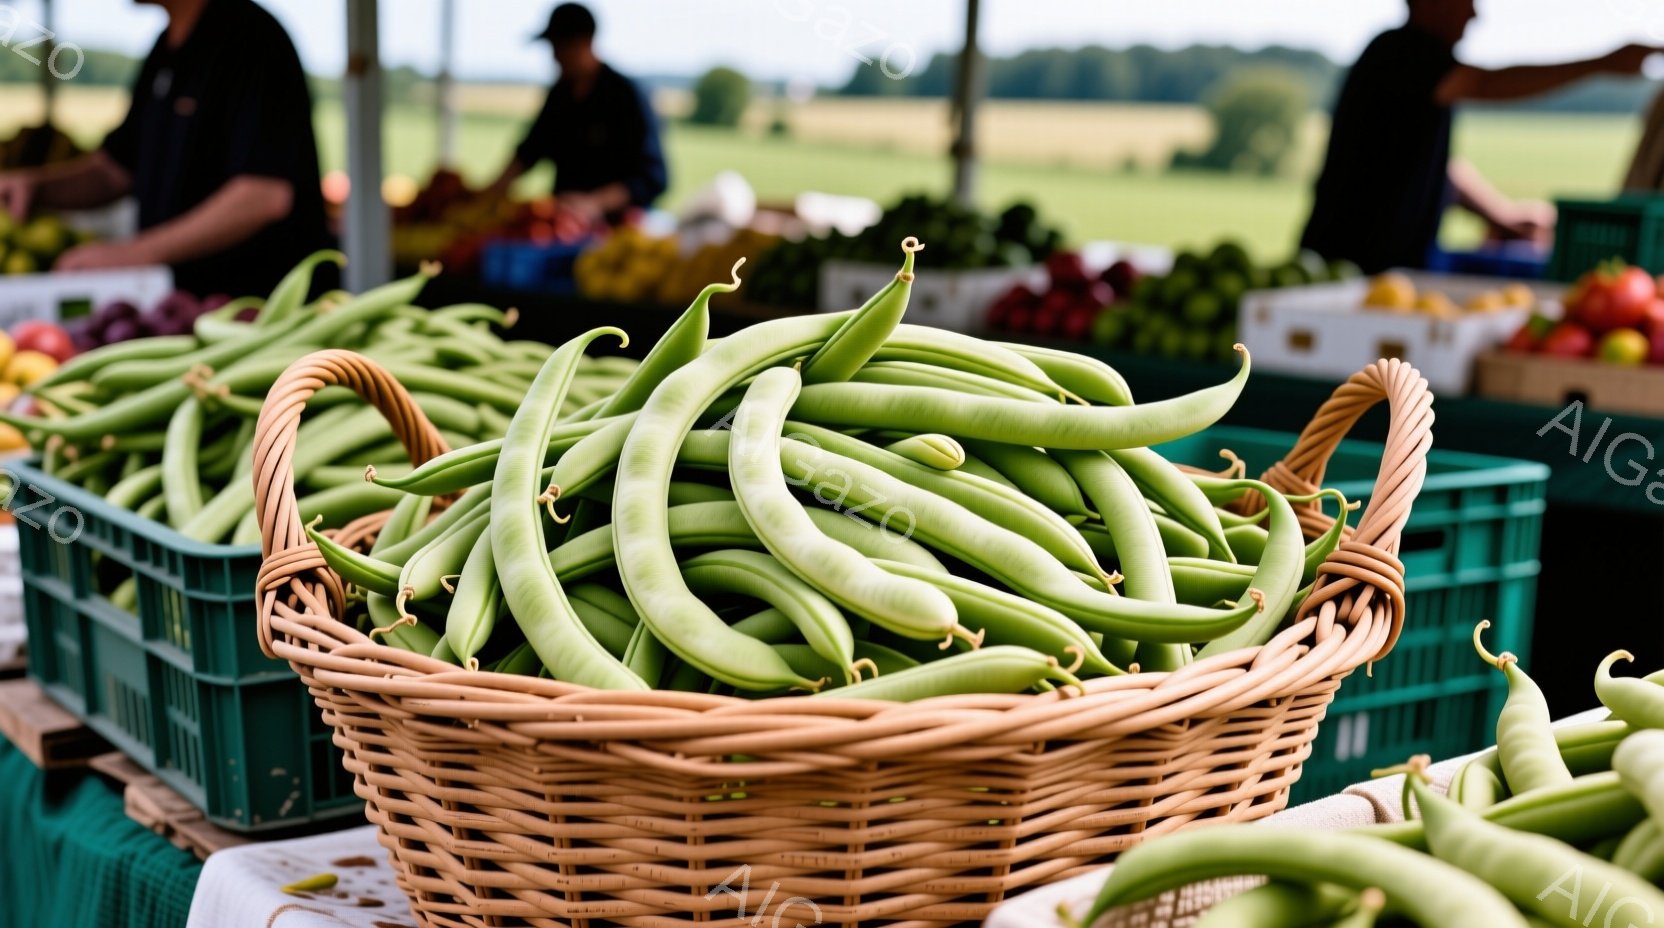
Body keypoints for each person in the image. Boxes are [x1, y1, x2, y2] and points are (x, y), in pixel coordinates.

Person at [1301, 0, 1659, 273]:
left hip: (1394, 267)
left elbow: (1428, 167)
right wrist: (1601, 63)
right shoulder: (1402, 52)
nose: (1475, 14)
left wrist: (1502, 216)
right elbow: (1481, 81)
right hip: (1351, 270)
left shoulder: (1408, 70)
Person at [0, 0, 330, 297]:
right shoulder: (165, 48)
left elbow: (263, 194)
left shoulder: (254, 40)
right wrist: (36, 187)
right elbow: (115, 169)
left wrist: (136, 253)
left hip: (258, 312)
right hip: (181, 311)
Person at [485, 3, 668, 224]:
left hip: (618, 229)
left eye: (561, 47)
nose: (555, 57)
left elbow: (653, 177)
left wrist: (594, 203)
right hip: (563, 224)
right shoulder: (560, 95)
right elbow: (530, 150)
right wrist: (490, 193)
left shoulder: (626, 95)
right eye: (553, 47)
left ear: (586, 42)